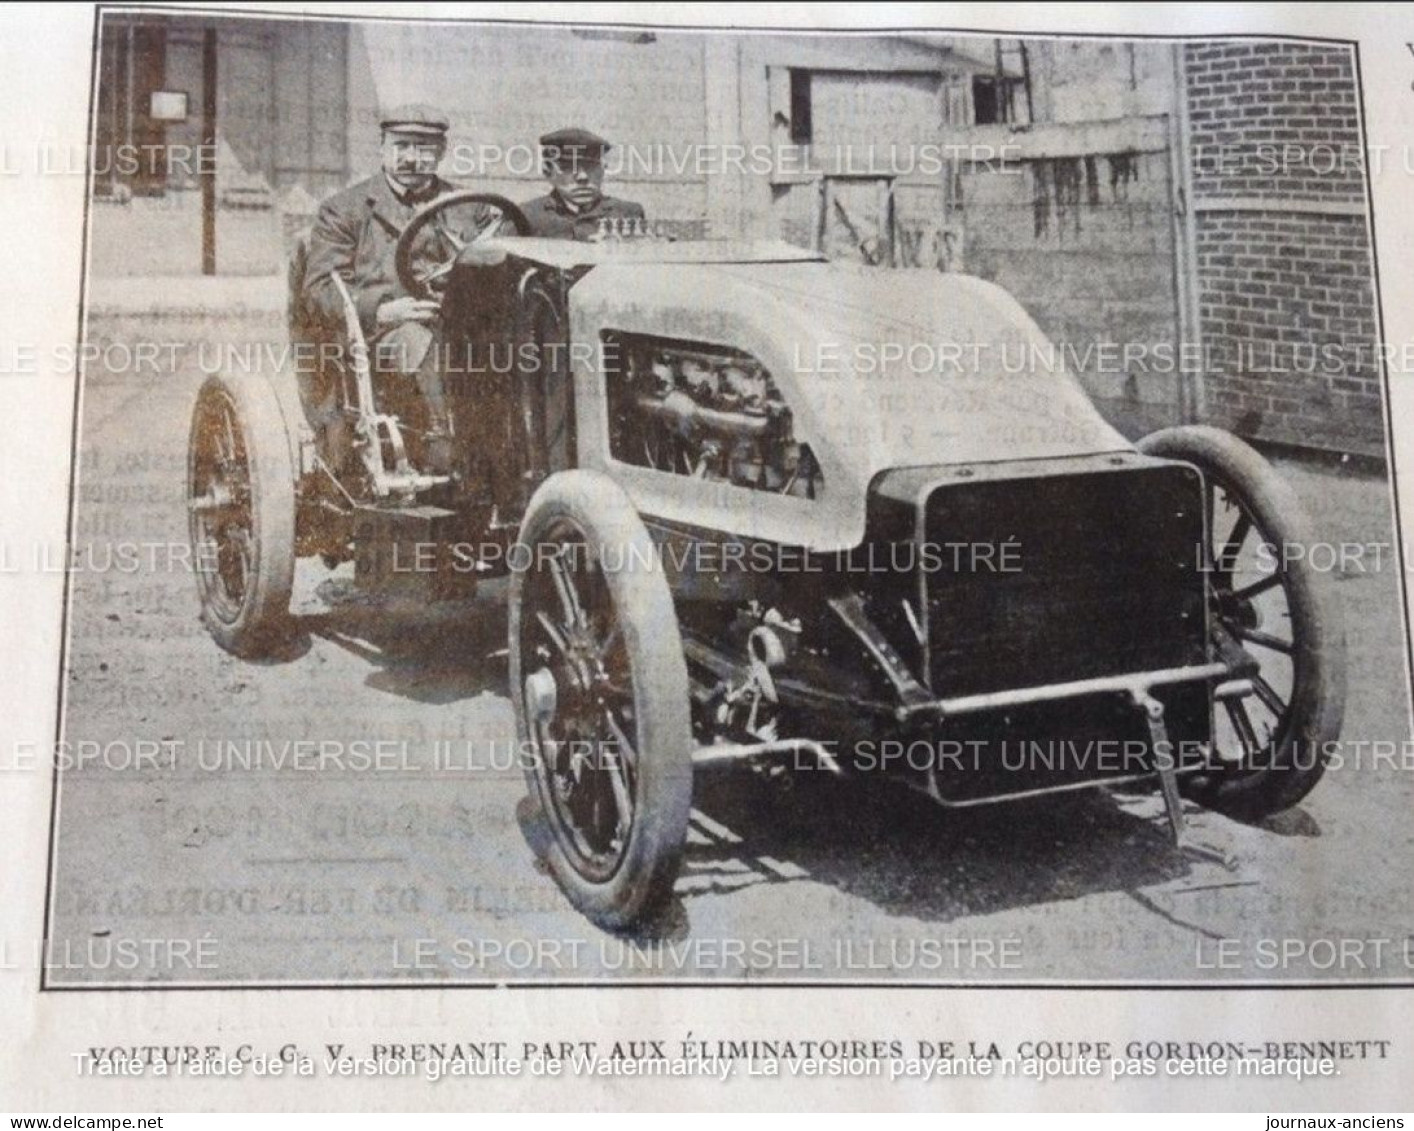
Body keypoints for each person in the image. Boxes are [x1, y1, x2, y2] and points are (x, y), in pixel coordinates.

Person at [301, 102, 493, 472]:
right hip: (380, 333)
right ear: (382, 148)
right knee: (419, 343)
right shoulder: (344, 210)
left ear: (440, 153)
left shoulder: (470, 208)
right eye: (401, 146)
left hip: (460, 324)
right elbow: (319, 290)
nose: (411, 158)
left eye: (423, 148)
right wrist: (383, 310)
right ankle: (446, 450)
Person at [520, 127, 646, 240]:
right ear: (548, 172)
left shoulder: (628, 213)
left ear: (603, 169)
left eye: (591, 167)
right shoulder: (526, 216)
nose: (582, 177)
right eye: (568, 168)